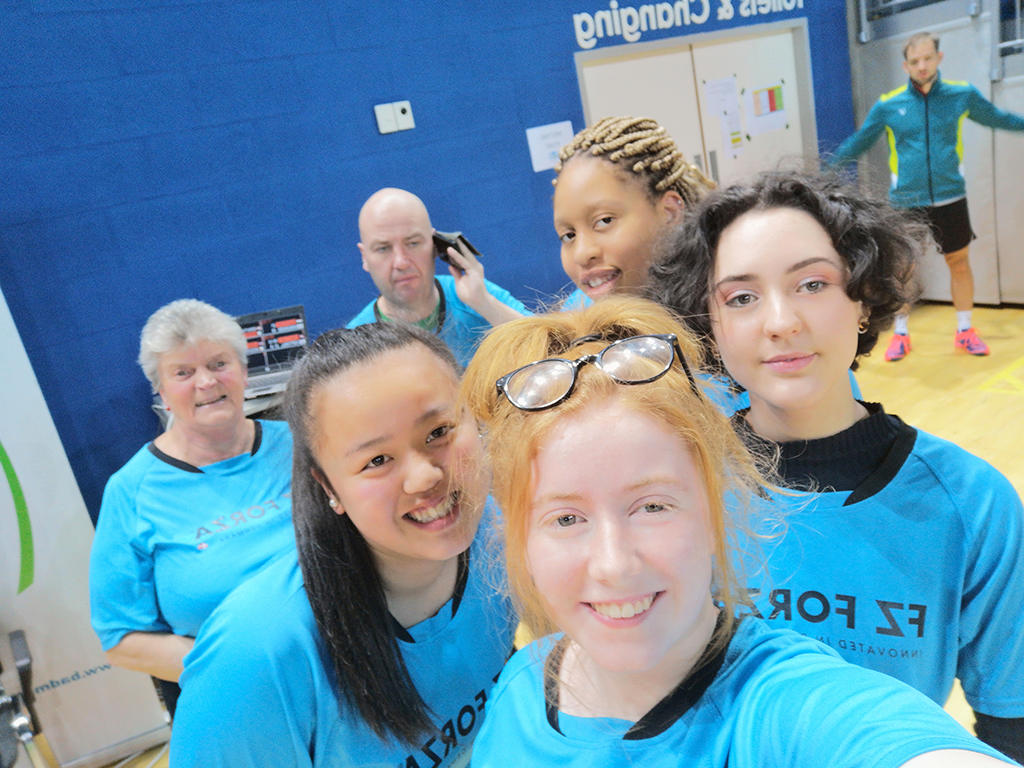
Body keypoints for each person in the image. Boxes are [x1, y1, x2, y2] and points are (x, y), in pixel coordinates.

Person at [460, 296, 1014, 767]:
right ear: (519, 538)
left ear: (714, 509)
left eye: (651, 506)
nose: (614, 564)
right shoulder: (521, 686)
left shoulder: (783, 705)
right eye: (566, 518)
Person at [648, 171, 1024, 762]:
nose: (780, 321)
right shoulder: (670, 488)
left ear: (864, 300)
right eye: (741, 297)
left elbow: (1011, 724)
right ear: (710, 326)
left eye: (812, 284)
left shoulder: (972, 505)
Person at [169, 322, 516, 768]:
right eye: (377, 460)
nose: (424, 477)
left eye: (439, 432)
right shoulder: (256, 655)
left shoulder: (500, 530)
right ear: (329, 488)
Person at [89, 299, 294, 717]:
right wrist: (239, 670)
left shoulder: (303, 443)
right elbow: (121, 639)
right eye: (183, 372)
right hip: (238, 703)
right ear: (162, 392)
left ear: (244, 371)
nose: (206, 382)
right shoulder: (131, 491)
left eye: (219, 363)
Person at [830, 31, 1024, 360]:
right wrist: (827, 169)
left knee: (958, 263)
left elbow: (998, 118)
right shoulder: (889, 104)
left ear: (939, 58)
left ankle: (965, 330)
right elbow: (860, 141)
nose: (922, 66)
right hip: (906, 202)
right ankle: (901, 334)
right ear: (906, 65)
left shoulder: (961, 95)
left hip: (950, 197)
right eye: (915, 61)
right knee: (902, 270)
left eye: (927, 58)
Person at [347, 187, 528, 367]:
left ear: (435, 245)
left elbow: (543, 349)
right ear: (365, 257)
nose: (401, 262)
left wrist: (485, 304)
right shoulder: (355, 344)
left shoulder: (475, 295)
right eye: (383, 248)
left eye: (413, 243)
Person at [552, 116, 713, 308]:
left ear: (670, 211)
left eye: (604, 221)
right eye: (569, 235)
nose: (581, 254)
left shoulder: (723, 300)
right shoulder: (579, 310)